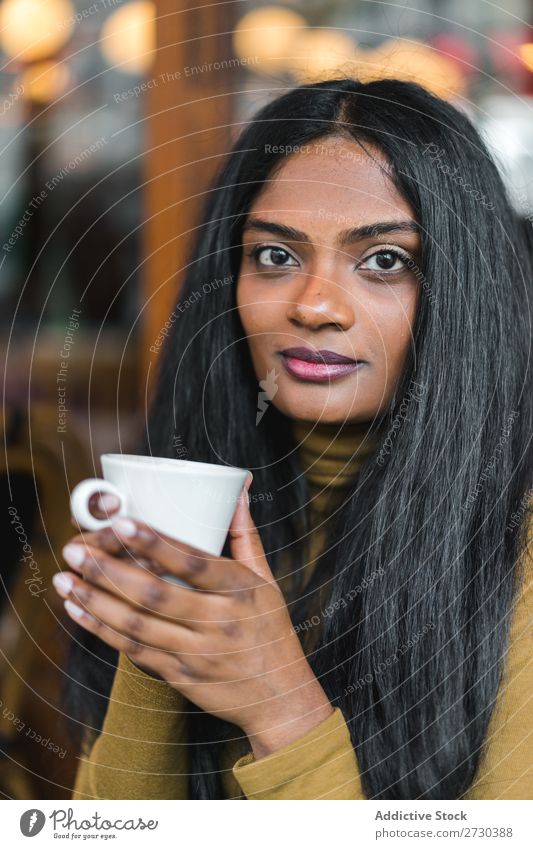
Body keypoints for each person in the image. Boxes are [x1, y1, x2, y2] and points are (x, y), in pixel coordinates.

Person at [55, 77, 533, 800]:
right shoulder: (206, 500)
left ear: (461, 290)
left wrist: (280, 707)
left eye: (383, 261)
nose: (313, 305)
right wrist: (159, 636)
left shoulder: (514, 541)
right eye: (275, 256)